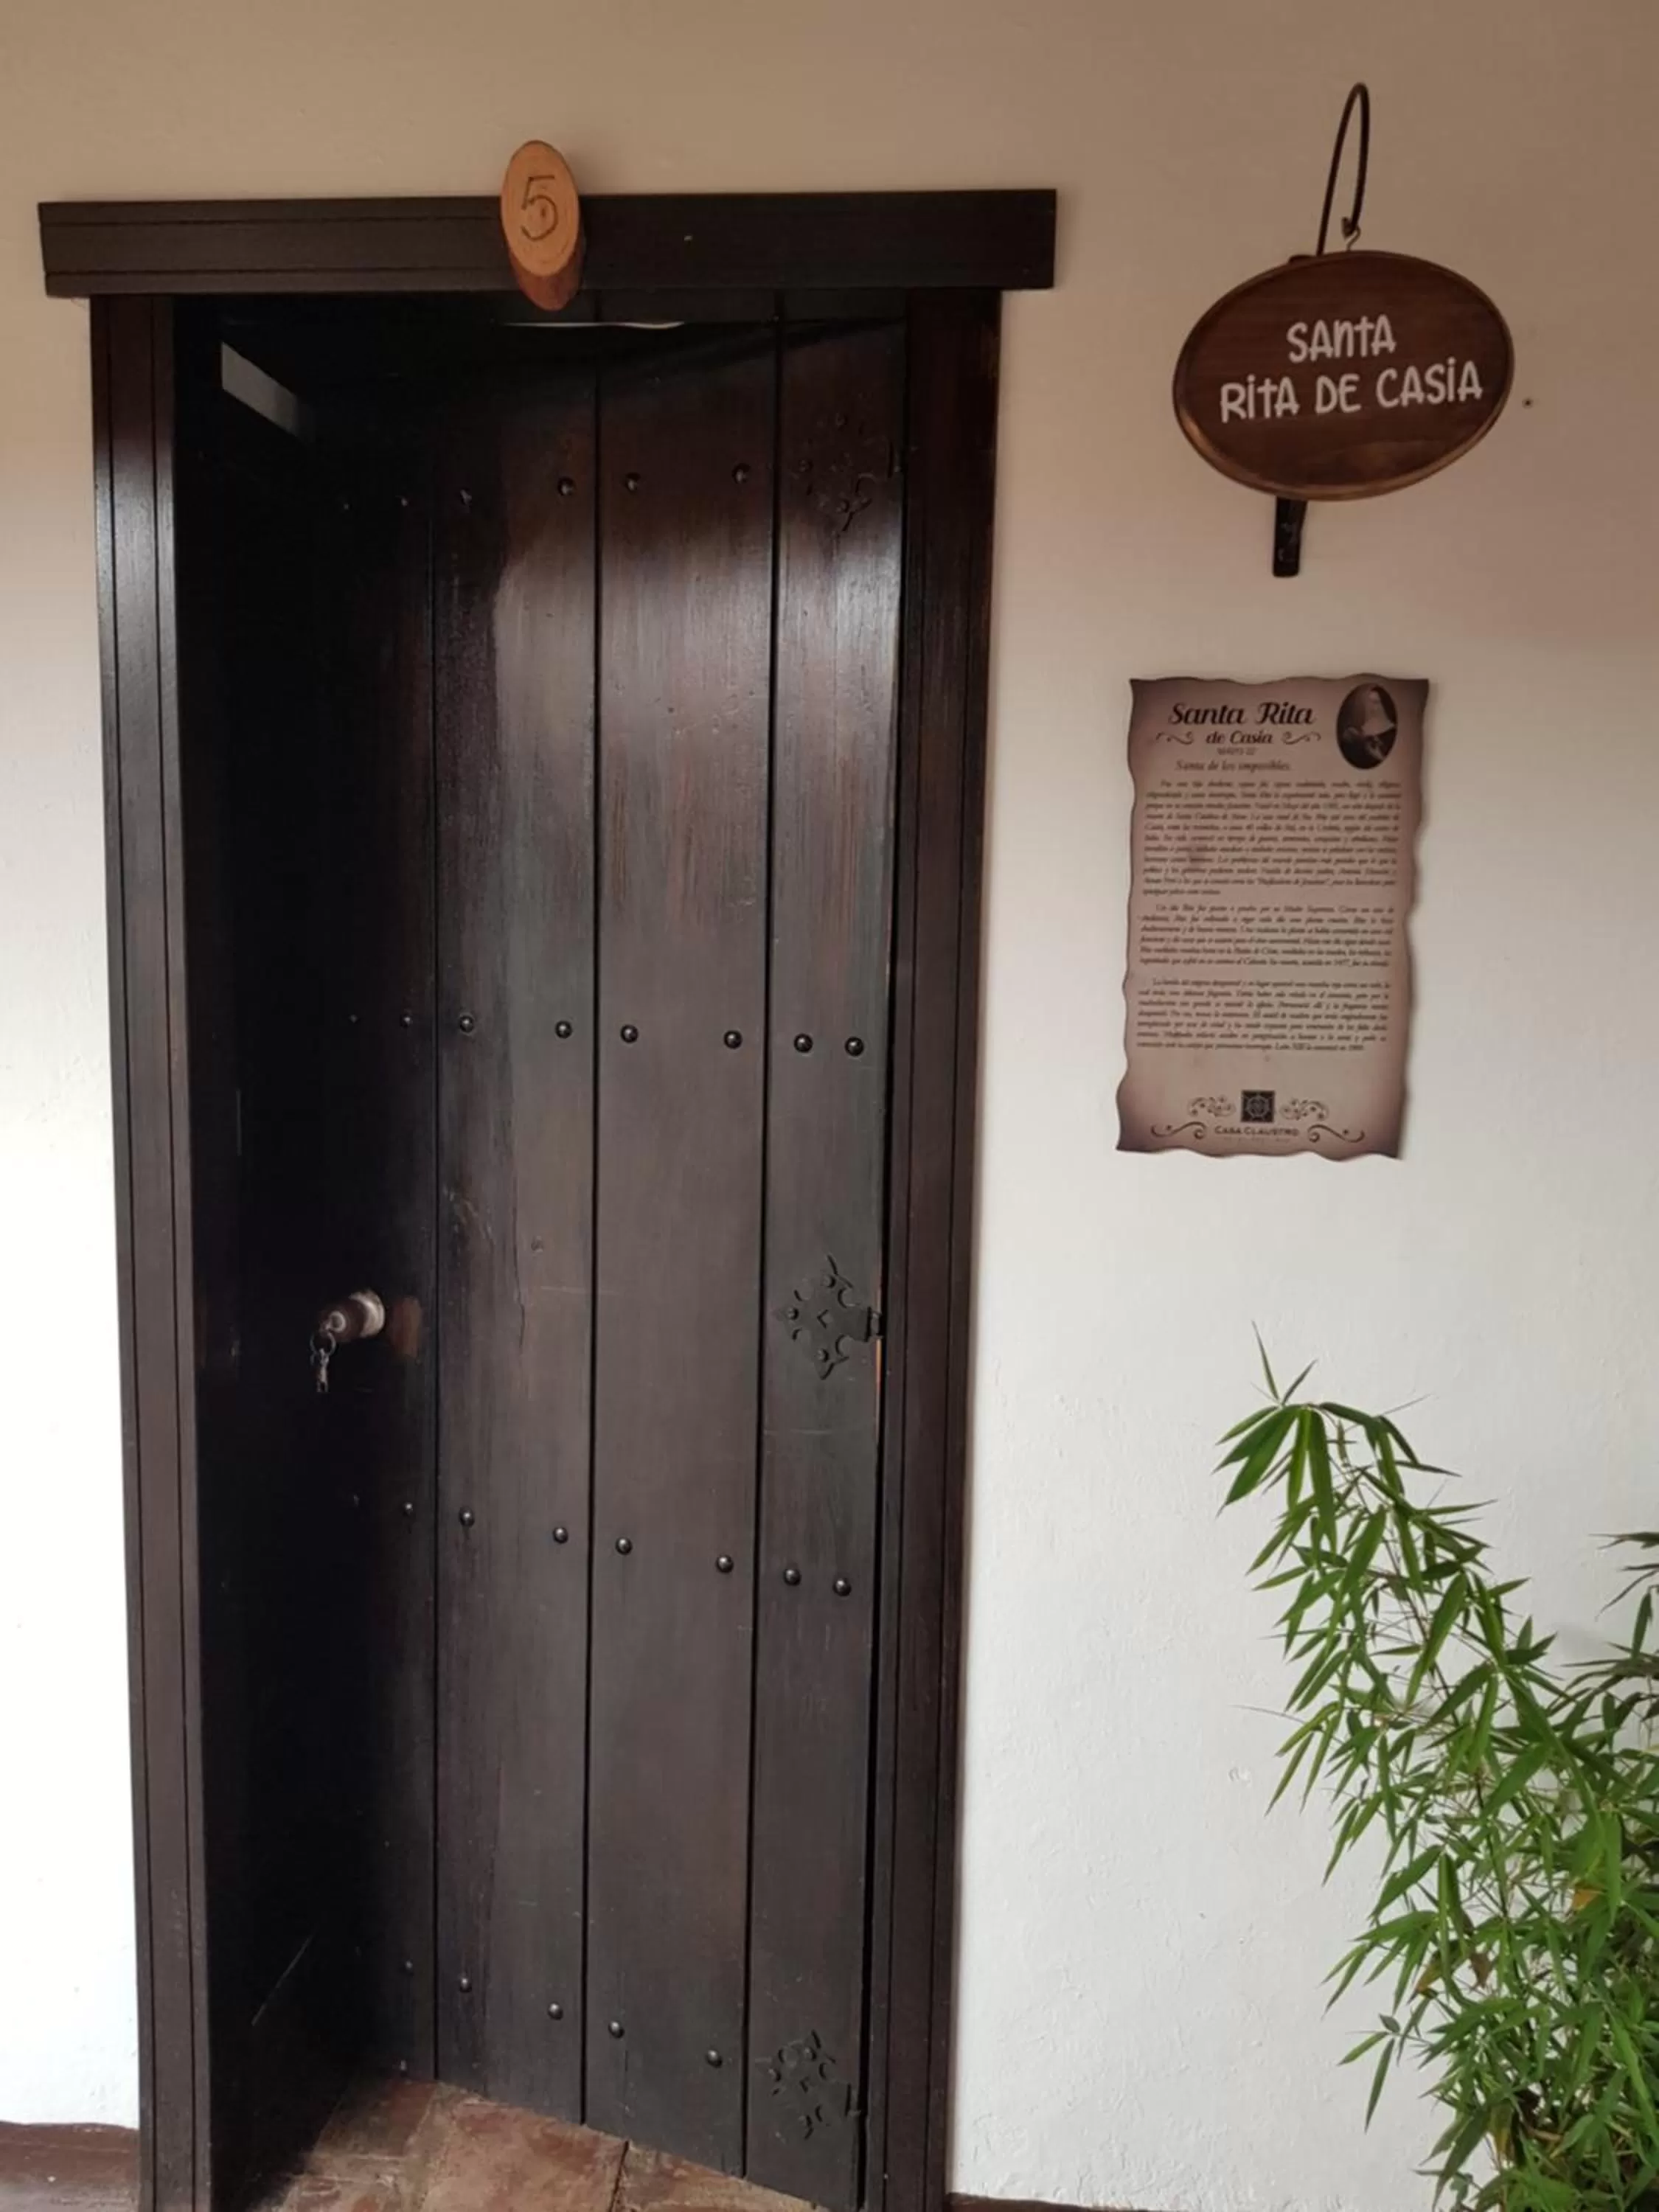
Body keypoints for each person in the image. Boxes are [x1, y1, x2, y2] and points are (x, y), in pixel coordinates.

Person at [1337, 681, 1397, 770]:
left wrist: (1377, 755)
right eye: (1370, 702)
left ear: (1384, 705)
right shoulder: (1364, 727)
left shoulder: (1392, 731)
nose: (1372, 707)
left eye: (1376, 703)